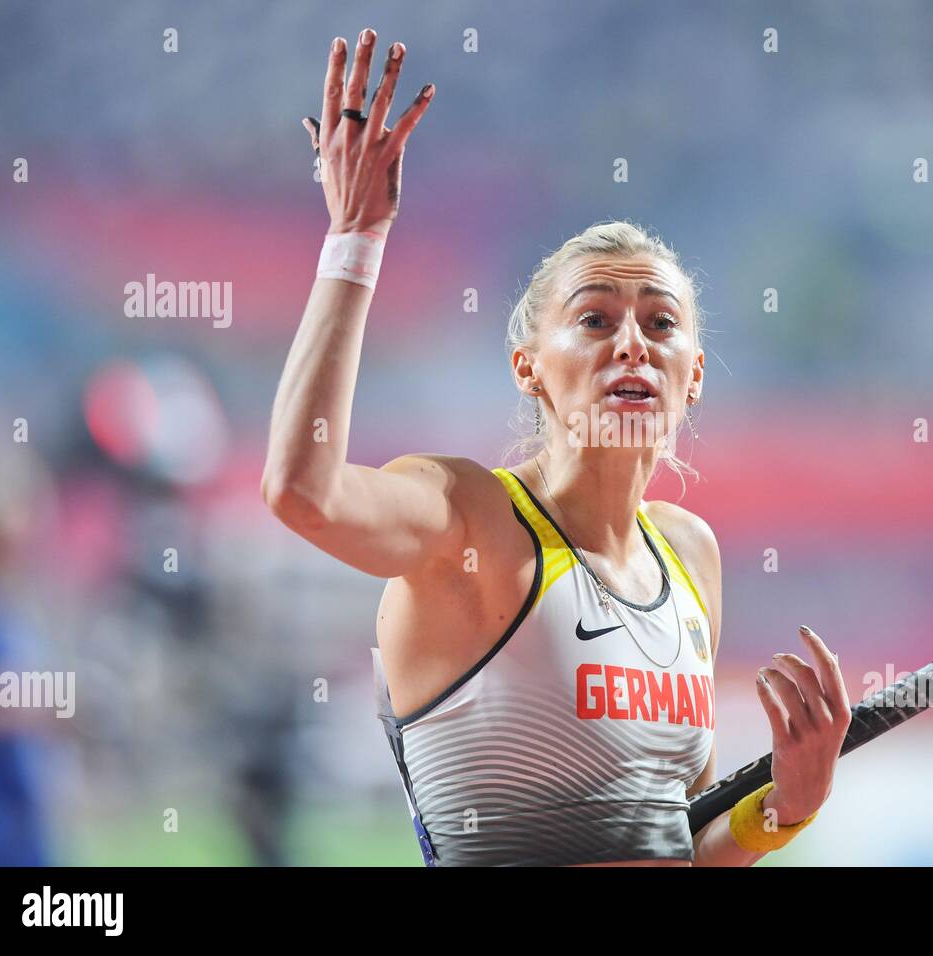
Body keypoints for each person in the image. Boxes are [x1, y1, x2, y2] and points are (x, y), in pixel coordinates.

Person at [263, 27, 852, 866]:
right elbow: (301, 492)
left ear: (694, 378)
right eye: (594, 319)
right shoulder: (468, 519)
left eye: (660, 323)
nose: (632, 345)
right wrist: (355, 239)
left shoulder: (691, 555)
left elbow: (674, 841)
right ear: (528, 369)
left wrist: (787, 810)